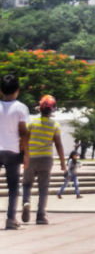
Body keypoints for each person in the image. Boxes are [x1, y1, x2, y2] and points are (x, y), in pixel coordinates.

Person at [22, 95, 65, 226]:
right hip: (46, 159)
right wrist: (63, 163)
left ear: (39, 108)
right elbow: (58, 145)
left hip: (31, 157)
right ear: (52, 110)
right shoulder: (55, 125)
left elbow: (24, 140)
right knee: (43, 188)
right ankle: (40, 216)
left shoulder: (31, 122)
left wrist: (24, 155)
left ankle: (26, 202)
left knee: (26, 184)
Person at [1, 74, 30, 230]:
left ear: (1, 91)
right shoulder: (21, 108)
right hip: (13, 151)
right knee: (13, 187)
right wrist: (26, 154)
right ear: (17, 90)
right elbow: (23, 133)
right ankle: (11, 219)